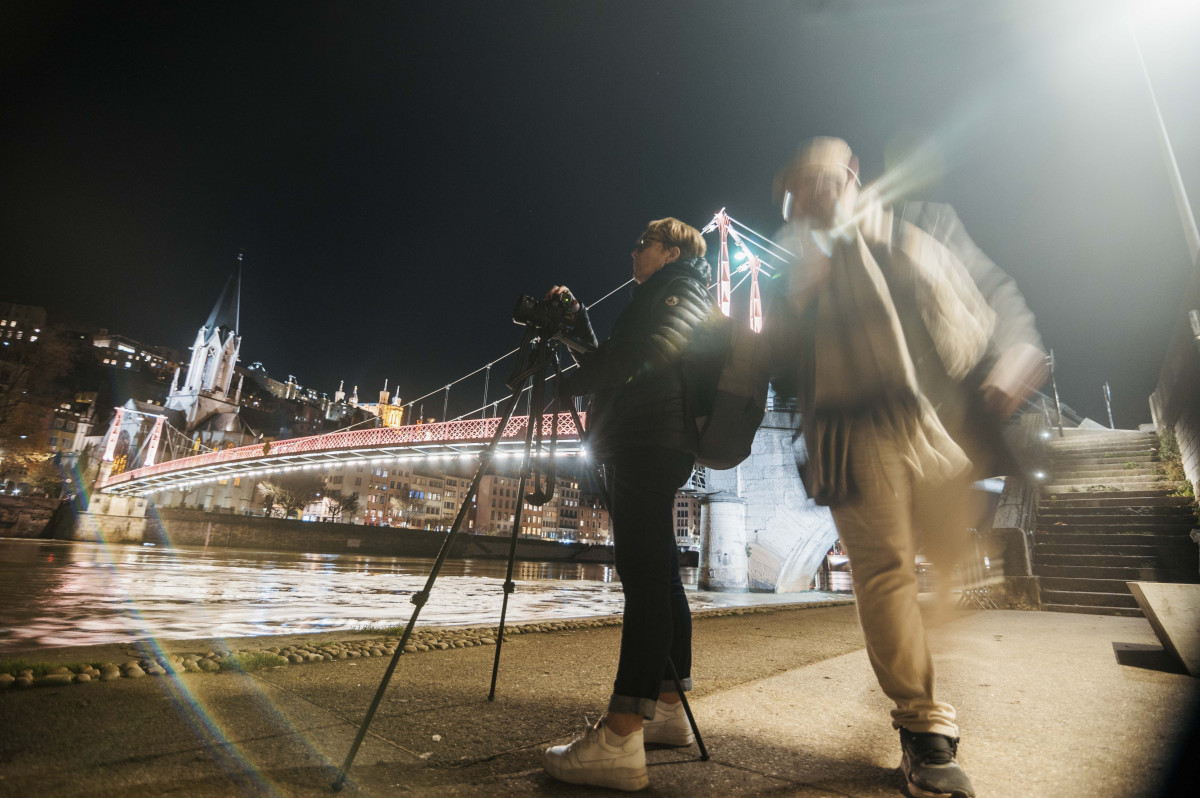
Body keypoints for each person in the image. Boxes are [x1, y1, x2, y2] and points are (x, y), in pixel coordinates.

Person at [769, 137, 1047, 798]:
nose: (810, 195)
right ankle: (923, 727)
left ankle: (924, 653)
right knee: (886, 571)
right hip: (849, 434)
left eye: (820, 179)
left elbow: (991, 290)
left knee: (950, 562)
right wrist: (795, 307)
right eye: (797, 187)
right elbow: (776, 363)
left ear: (851, 173)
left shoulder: (925, 224)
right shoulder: (797, 262)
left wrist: (1016, 350)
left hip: (938, 425)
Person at [541, 217, 714, 792]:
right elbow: (628, 355)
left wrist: (579, 377)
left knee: (642, 579)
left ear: (670, 250)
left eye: (642, 243)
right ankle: (665, 708)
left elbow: (653, 355)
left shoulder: (682, 288)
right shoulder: (665, 292)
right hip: (650, 438)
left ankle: (619, 737)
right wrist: (579, 333)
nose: (632, 251)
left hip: (647, 440)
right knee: (661, 573)